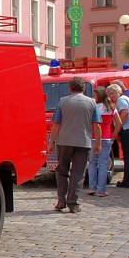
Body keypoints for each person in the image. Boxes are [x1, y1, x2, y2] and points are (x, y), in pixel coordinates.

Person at [49, 76, 102, 213]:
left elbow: (56, 124)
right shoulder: (91, 103)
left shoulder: (62, 102)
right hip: (83, 142)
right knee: (78, 173)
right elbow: (96, 126)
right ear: (83, 88)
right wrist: (98, 143)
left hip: (64, 141)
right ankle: (73, 203)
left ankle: (61, 201)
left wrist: (51, 142)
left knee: (62, 171)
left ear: (70, 88)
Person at [87, 87, 121, 197]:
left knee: (92, 163)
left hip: (93, 137)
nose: (93, 97)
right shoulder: (111, 108)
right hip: (107, 138)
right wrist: (113, 136)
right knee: (103, 164)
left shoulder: (94, 108)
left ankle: (92, 187)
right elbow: (119, 123)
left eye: (95, 95)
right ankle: (101, 190)